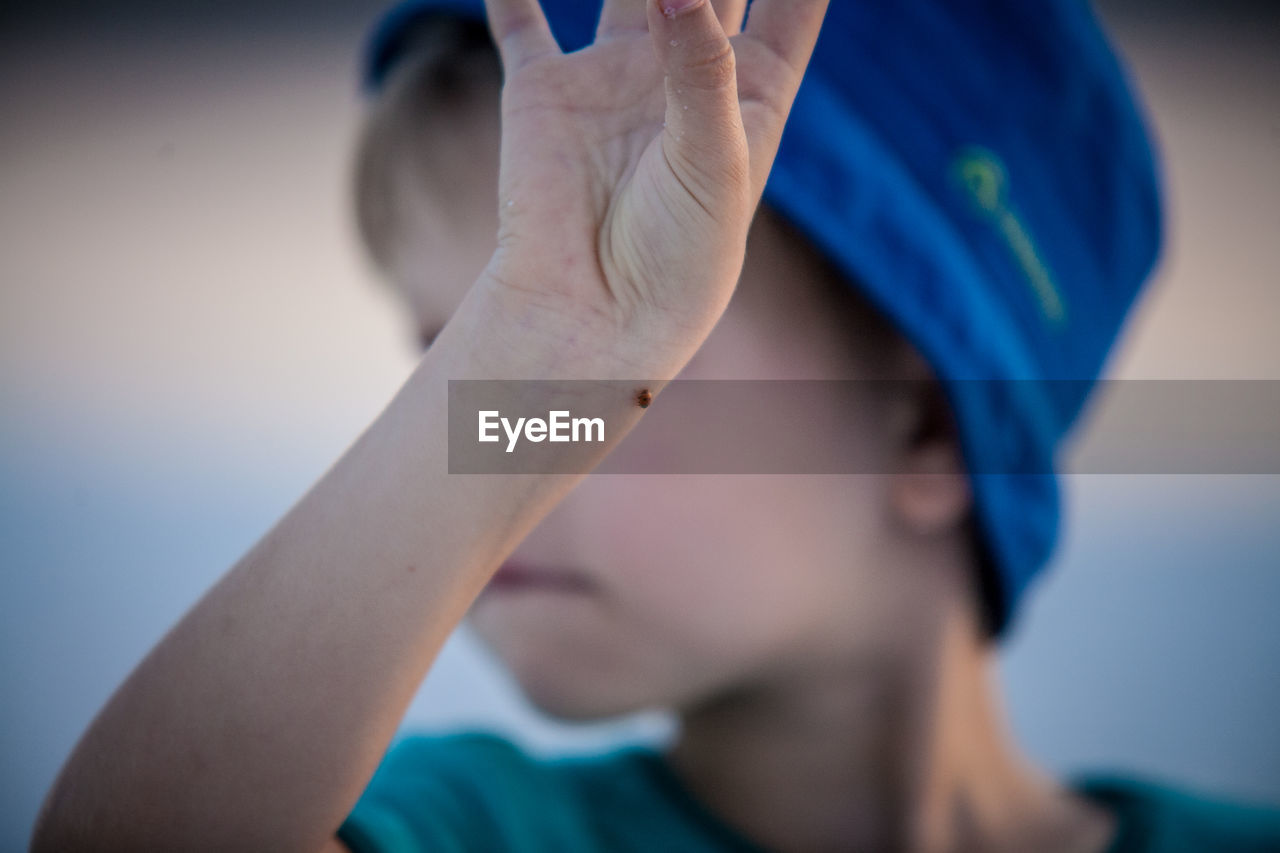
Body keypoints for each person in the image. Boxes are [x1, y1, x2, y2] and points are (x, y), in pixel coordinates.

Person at [30, 0, 1280, 851]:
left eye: (629, 357)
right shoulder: (474, 825)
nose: (499, 424)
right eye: (454, 355)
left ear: (924, 438)